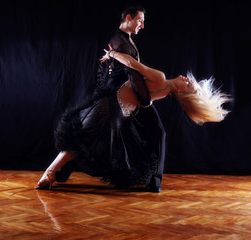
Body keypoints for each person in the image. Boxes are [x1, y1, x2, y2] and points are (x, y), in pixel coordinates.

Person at [35, 43, 230, 192]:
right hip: (115, 111)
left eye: (188, 84)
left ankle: (52, 173)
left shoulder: (161, 79)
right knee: (82, 143)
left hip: (112, 110)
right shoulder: (163, 91)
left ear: (182, 91)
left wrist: (112, 54)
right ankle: (51, 173)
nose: (187, 79)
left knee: (81, 143)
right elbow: (142, 97)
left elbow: (132, 64)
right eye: (190, 81)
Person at [40, 6, 167, 192]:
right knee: (90, 136)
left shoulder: (123, 39)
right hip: (124, 97)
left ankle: (59, 173)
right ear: (129, 18)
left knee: (88, 136)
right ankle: (154, 182)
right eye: (140, 20)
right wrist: (145, 100)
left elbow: (105, 71)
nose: (143, 25)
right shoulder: (122, 42)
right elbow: (134, 76)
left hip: (120, 96)